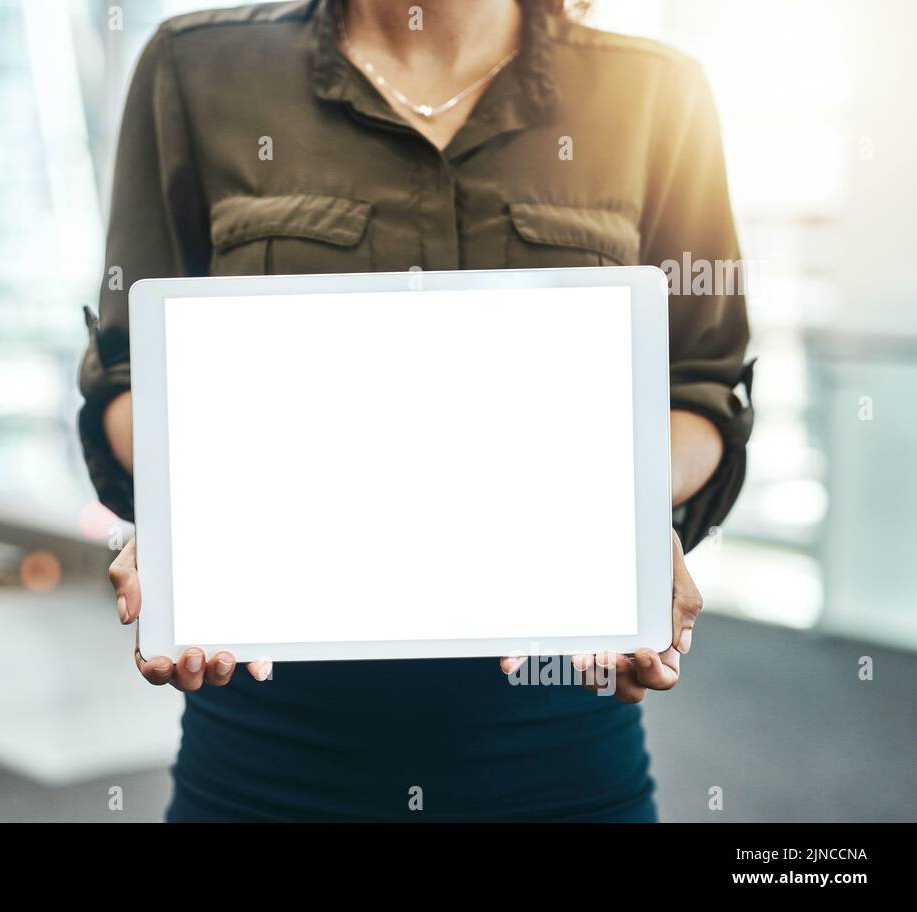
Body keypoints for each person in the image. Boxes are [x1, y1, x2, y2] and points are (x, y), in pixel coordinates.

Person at [77, 0, 755, 821]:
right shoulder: (197, 68)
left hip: (560, 740)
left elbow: (703, 389)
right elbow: (125, 380)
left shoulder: (656, 92)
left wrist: (626, 514)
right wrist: (201, 515)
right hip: (267, 752)